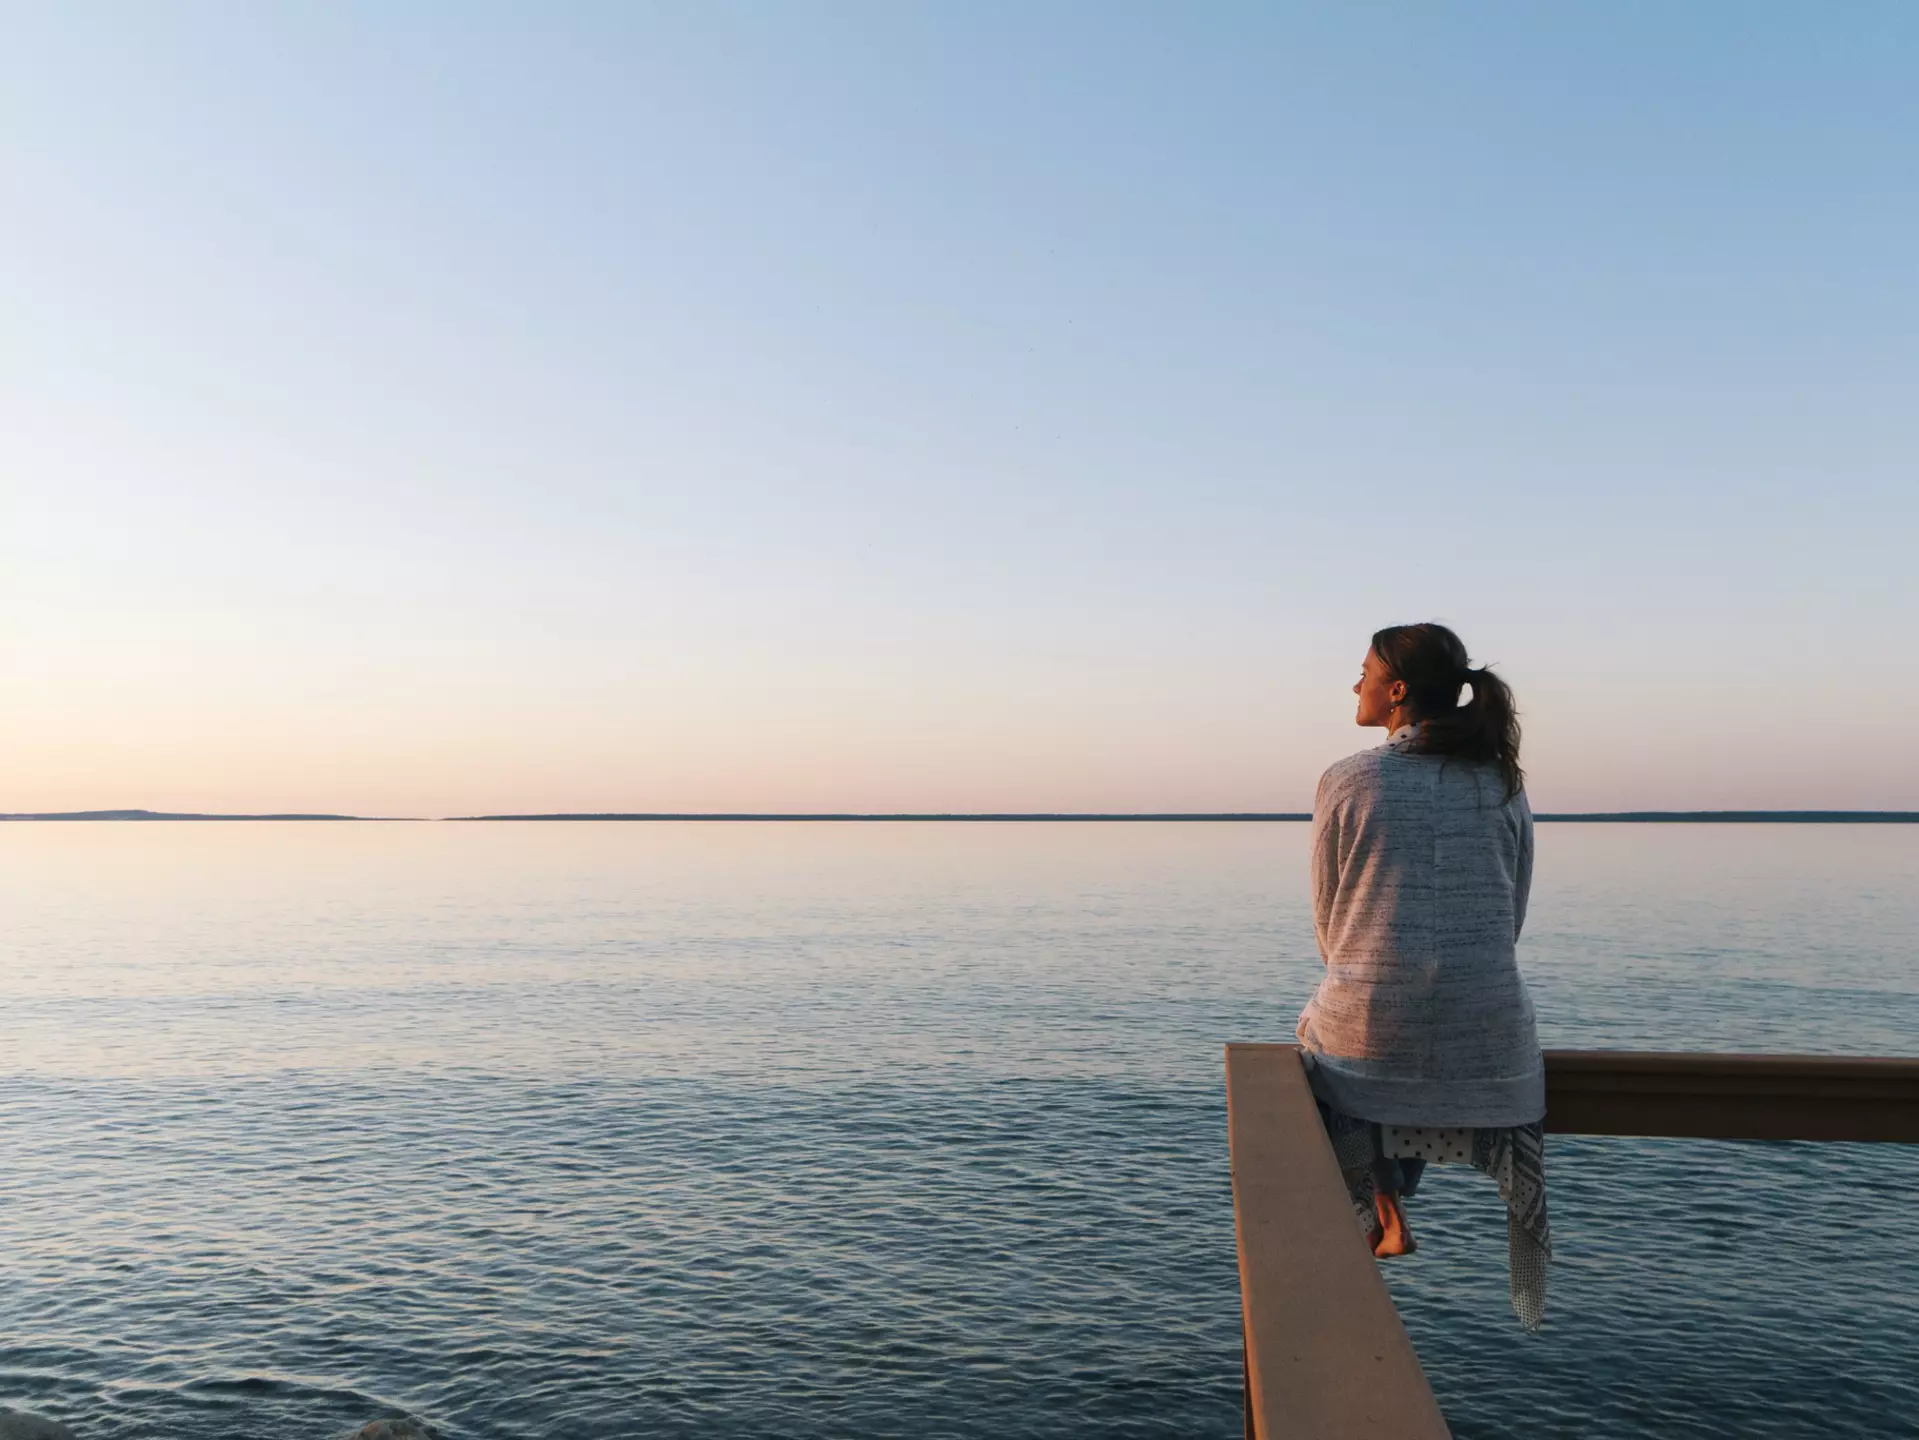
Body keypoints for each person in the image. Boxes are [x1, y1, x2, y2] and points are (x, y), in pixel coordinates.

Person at [1295, 622, 1552, 1327]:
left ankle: (1382, 1205)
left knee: (1334, 1040)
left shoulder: (1347, 778)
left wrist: (1369, 973)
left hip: (1372, 1027)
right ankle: (1390, 1202)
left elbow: (1330, 922)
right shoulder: (1501, 781)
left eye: (1364, 672)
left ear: (1397, 691)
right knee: (1386, 1039)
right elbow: (1513, 910)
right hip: (1493, 1034)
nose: (1355, 684)